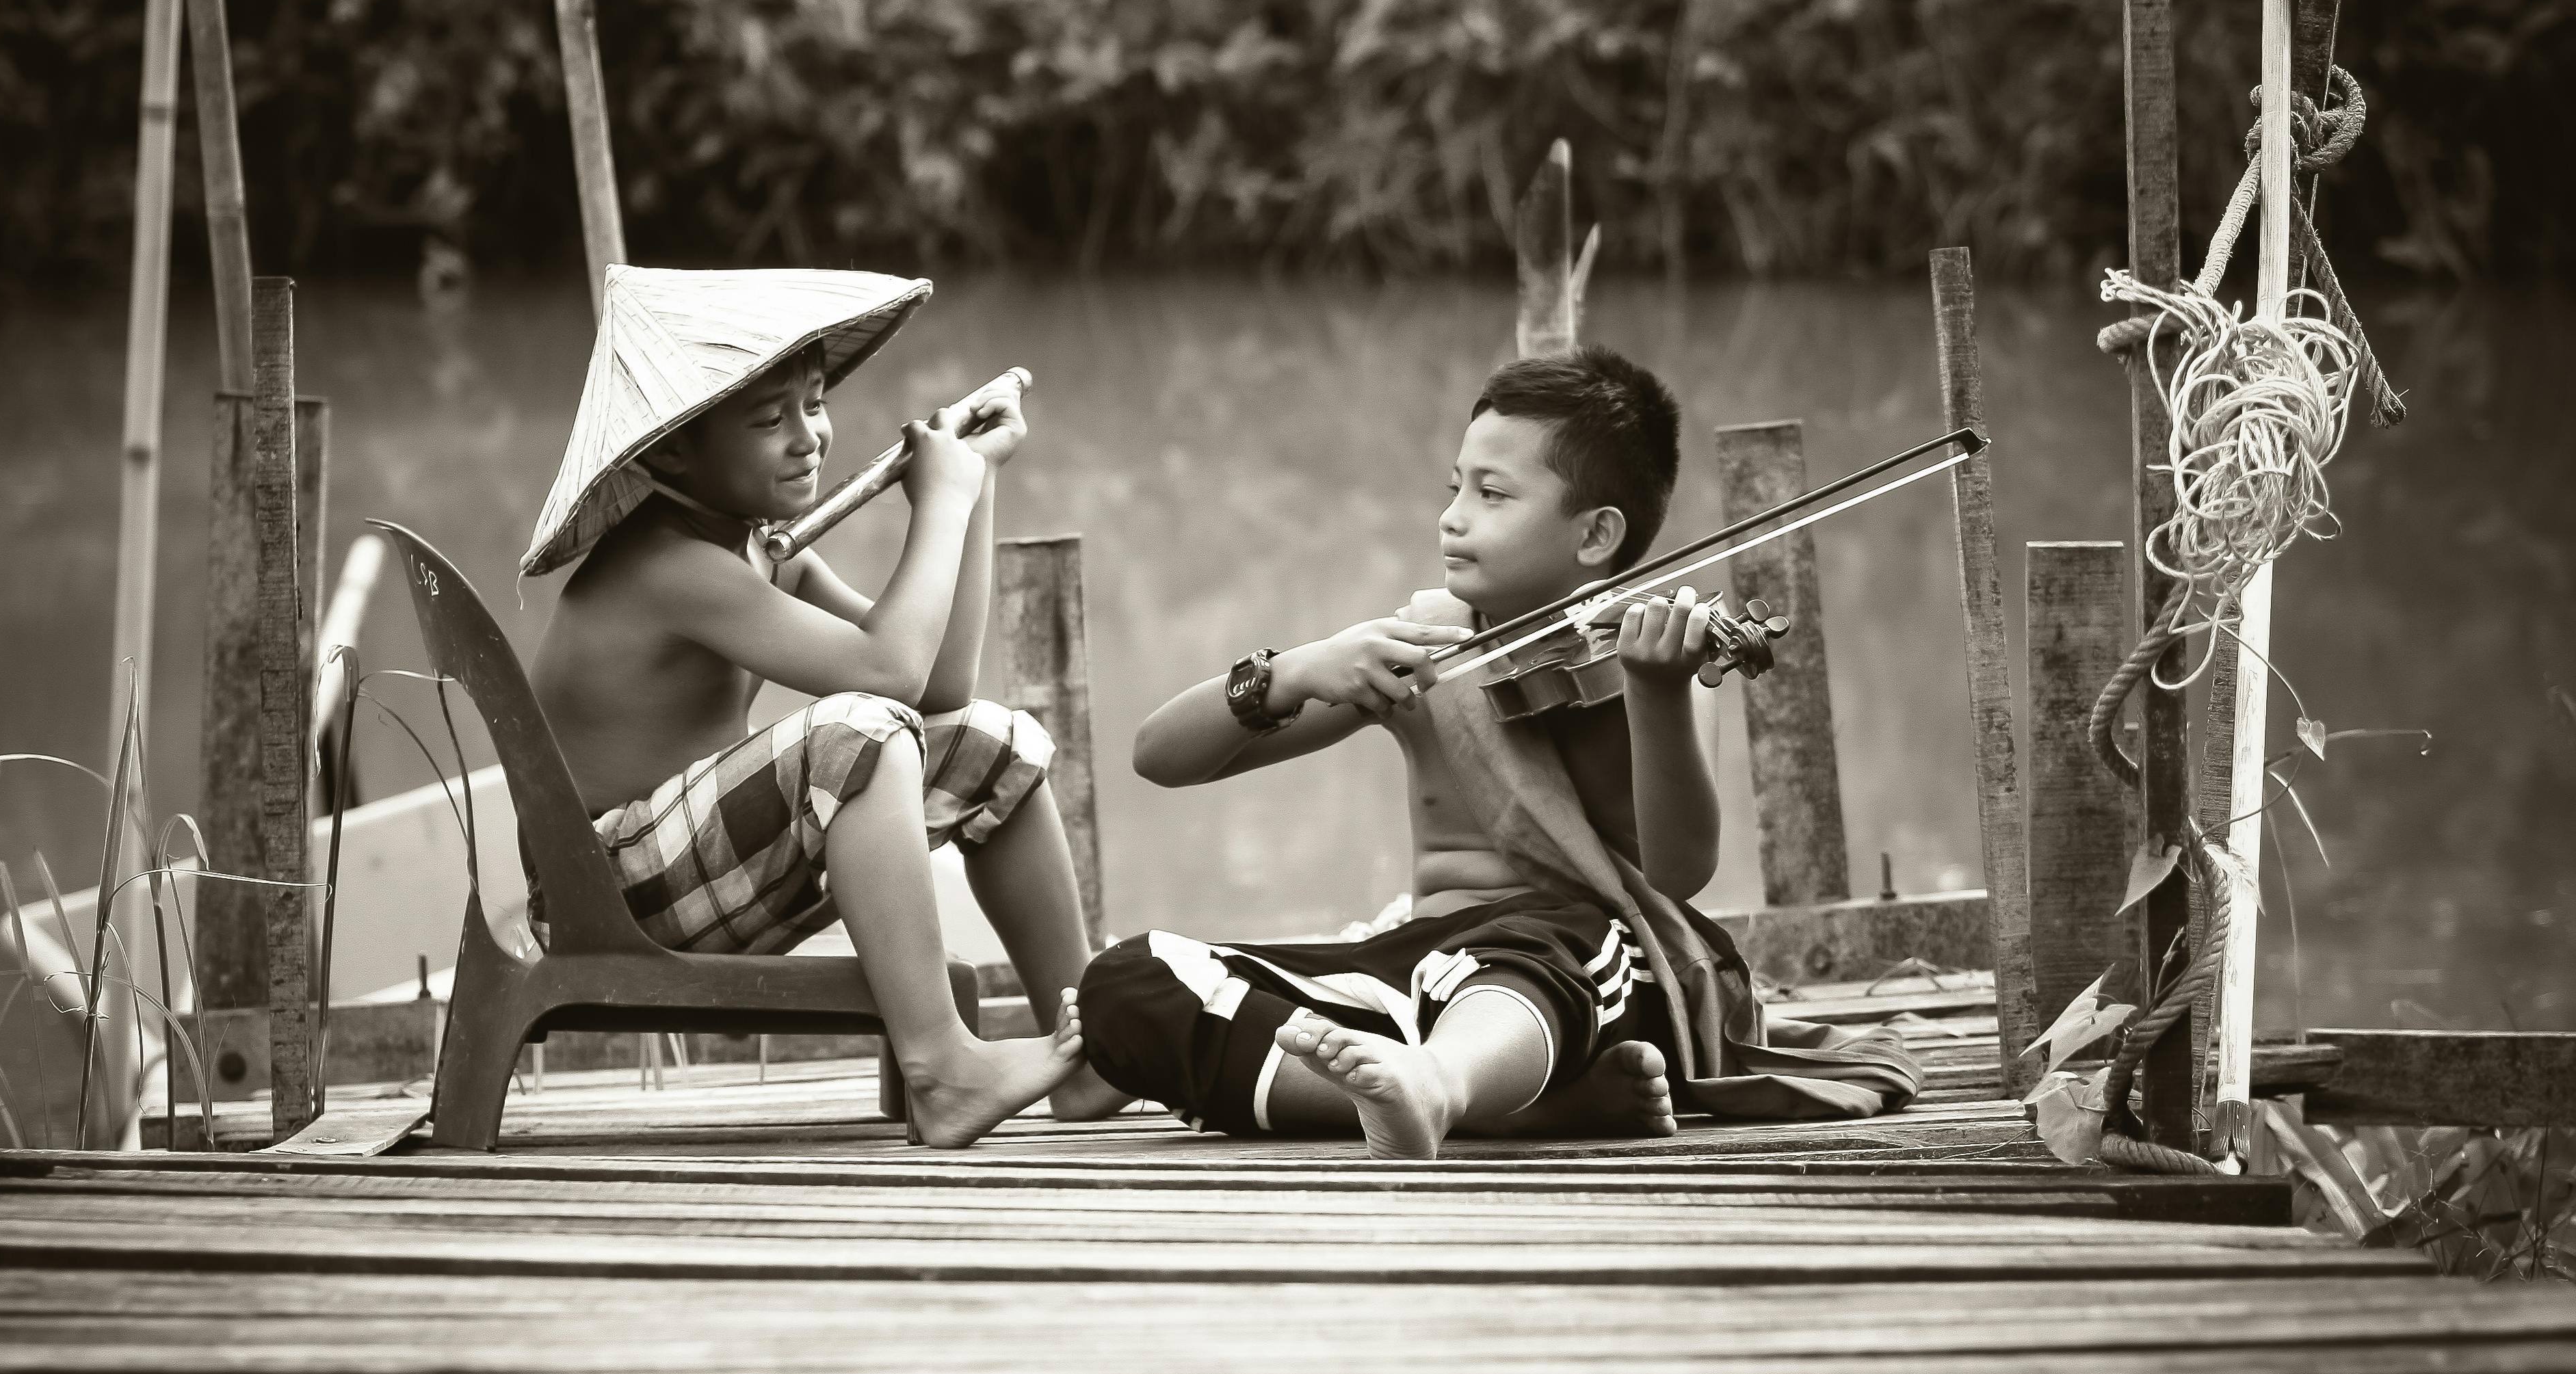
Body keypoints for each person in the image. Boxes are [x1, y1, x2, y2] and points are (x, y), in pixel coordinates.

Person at [1080, 345, 1917, 1159]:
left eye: (1492, 494)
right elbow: (1162, 756)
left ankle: (1442, 1086)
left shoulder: (1648, 660)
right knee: (1127, 985)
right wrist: (1294, 670)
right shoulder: (1421, 649)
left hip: (1585, 975)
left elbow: (1677, 873)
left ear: (1594, 537)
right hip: (1420, 973)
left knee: (1557, 942)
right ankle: (1492, 1107)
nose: (1452, 517)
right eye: (1454, 488)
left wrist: (1658, 694)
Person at [521, 266, 1120, 1147]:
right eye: (769, 421)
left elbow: (940, 690)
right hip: (610, 892)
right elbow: (887, 679)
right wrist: (939, 506)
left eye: (814, 404)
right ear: (675, 452)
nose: (808, 439)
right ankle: (942, 1066)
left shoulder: (760, 551)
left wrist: (972, 486)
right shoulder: (664, 565)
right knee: (858, 734)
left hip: (699, 874)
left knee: (991, 743)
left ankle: (1097, 1054)